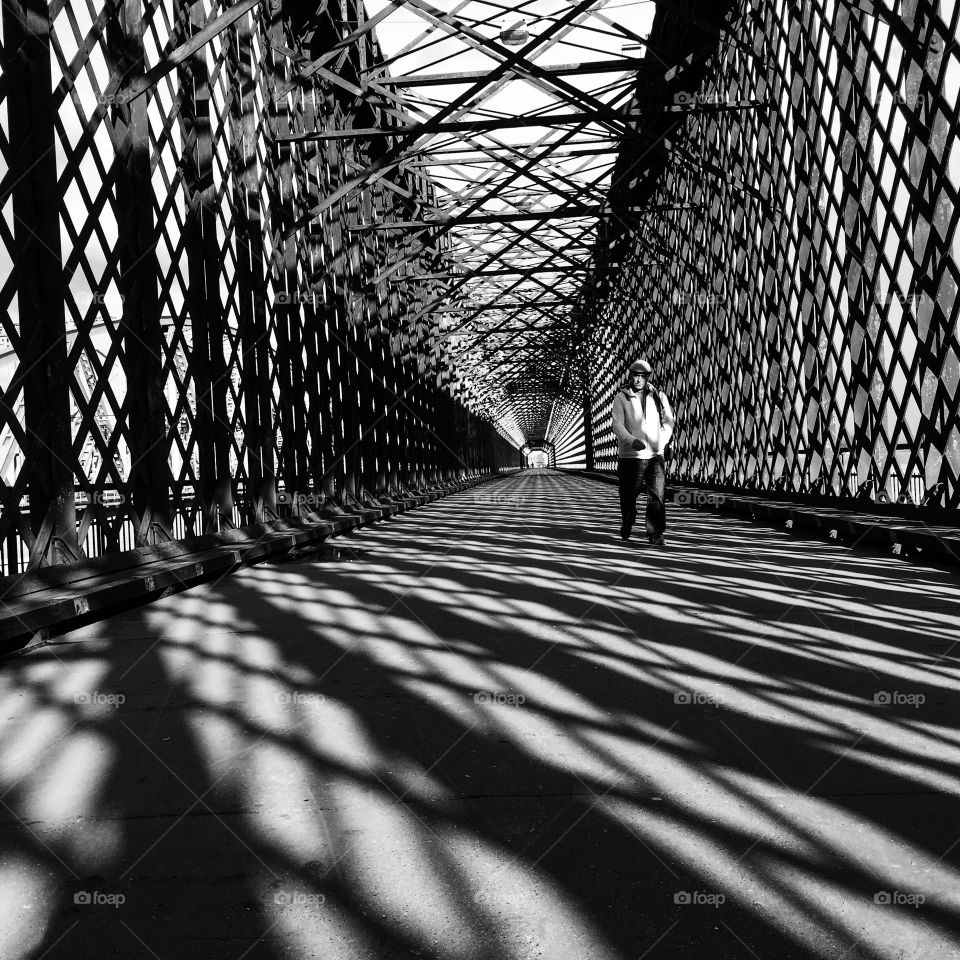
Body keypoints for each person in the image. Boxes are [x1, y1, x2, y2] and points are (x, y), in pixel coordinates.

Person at [610, 358, 676, 545]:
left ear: (648, 377)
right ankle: (628, 521)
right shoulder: (621, 398)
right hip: (631, 457)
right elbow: (617, 425)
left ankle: (655, 534)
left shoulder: (659, 396)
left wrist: (662, 441)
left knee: (657, 495)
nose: (638, 379)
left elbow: (669, 421)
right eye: (634, 375)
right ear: (629, 375)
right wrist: (631, 441)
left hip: (656, 455)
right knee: (628, 496)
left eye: (642, 376)